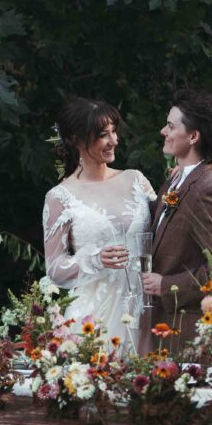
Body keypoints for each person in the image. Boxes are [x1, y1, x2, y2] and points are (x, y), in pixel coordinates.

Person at [43, 97, 157, 354]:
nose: (114, 140)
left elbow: (167, 229)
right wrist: (94, 259)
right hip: (96, 315)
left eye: (114, 131)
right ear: (75, 139)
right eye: (103, 135)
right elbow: (54, 269)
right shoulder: (60, 197)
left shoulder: (136, 180)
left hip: (147, 306)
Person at [139, 89, 212, 356]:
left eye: (171, 126)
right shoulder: (177, 180)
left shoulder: (207, 189)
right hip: (165, 327)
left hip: (188, 333)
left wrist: (166, 285)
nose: (163, 131)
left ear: (193, 136)